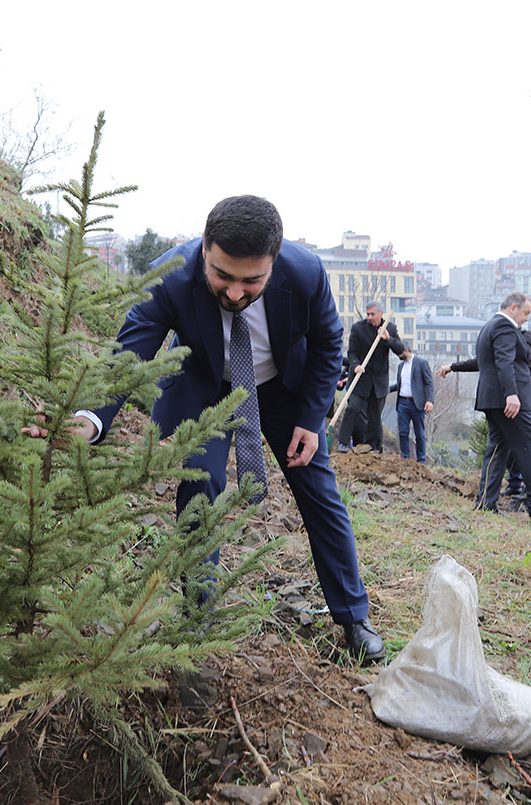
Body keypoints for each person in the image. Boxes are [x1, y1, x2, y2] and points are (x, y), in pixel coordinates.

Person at [56, 195, 385, 663]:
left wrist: (312, 419)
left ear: (274, 262)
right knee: (200, 483)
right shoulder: (171, 275)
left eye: (252, 281)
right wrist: (89, 419)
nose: (234, 294)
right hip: (207, 384)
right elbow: (129, 355)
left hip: (282, 388)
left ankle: (354, 618)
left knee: (319, 489)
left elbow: (328, 340)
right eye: (222, 276)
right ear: (204, 248)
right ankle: (199, 617)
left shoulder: (306, 272)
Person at [440, 293, 531, 521]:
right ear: (513, 308)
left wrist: (453, 366)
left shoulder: (489, 326)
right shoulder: (505, 327)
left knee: (497, 450)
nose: (527, 318)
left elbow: (484, 362)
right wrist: (511, 394)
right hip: (509, 401)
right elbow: (504, 361)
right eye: (526, 313)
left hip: (494, 400)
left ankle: (486, 501)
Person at [335, 302, 404, 453]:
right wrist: (356, 365)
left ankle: (374, 447)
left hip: (379, 381)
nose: (369, 317)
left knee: (375, 416)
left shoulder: (390, 328)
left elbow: (401, 350)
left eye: (373, 314)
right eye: (368, 314)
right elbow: (352, 353)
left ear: (381, 314)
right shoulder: (358, 328)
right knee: (353, 407)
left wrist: (388, 339)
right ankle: (343, 443)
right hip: (359, 378)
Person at [504, 329, 531, 508]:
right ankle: (515, 485)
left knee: (526, 450)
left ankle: (526, 494)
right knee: (518, 449)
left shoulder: (524, 355)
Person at [388, 346, 434, 463]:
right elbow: (400, 384)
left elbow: (429, 383)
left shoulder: (421, 363)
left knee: (419, 433)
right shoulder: (400, 366)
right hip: (402, 403)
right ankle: (405, 459)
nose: (398, 356)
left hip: (417, 403)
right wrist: (387, 389)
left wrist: (430, 400)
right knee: (403, 432)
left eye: (399, 353)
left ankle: (421, 460)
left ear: (406, 350)